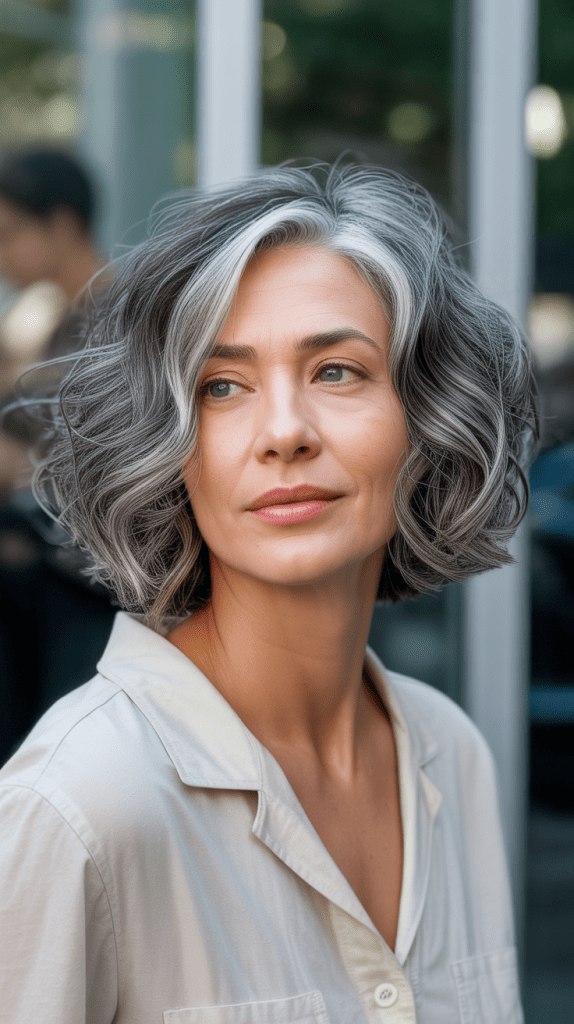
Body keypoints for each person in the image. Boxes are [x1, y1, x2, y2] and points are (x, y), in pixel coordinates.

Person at [0, 160, 538, 1023]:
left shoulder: (451, 755)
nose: (283, 431)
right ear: (165, 447)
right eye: (222, 387)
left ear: (428, 420)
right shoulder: (78, 810)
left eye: (336, 372)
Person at [0, 148, 114, 765]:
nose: (0, 254)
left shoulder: (118, 322)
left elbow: (114, 468)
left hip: (90, 591)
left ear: (63, 225)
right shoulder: (55, 324)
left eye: (9, 234)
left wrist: (21, 468)